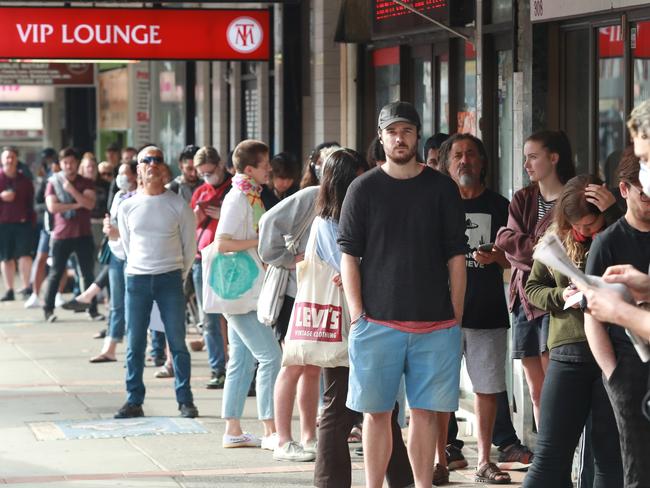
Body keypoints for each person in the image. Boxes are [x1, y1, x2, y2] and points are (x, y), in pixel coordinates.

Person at [338, 101, 467, 488]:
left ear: (417, 136)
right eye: (392, 131)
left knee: (425, 414)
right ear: (381, 138)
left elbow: (456, 258)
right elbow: (349, 256)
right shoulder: (362, 189)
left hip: (436, 324)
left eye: (407, 131)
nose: (399, 138)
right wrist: (357, 313)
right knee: (376, 414)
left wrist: (455, 318)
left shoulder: (442, 187)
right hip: (376, 322)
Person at [307, 148, 413, 487]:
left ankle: (400, 478)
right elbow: (349, 265)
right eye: (357, 175)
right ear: (342, 182)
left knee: (382, 407)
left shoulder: (364, 213)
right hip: (345, 322)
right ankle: (330, 482)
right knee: (338, 408)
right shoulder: (327, 221)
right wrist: (364, 266)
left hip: (376, 318)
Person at [523, 174, 623, 488]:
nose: (584, 231)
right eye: (577, 225)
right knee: (550, 455)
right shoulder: (555, 237)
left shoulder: (619, 232)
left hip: (614, 351)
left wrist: (614, 215)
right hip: (568, 349)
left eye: (591, 225)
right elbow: (533, 287)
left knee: (608, 457)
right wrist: (560, 296)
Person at [437, 133, 512, 484]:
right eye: (457, 155)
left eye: (470, 155)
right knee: (438, 388)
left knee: (487, 387)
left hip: (487, 311)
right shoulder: (437, 203)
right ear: (446, 163)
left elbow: (515, 260)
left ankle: (484, 460)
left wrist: (498, 257)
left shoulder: (501, 206)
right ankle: (439, 458)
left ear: (482, 162)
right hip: (440, 313)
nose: (464, 161)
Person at [495, 130, 576, 429]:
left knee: (557, 385)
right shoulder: (523, 197)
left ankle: (562, 458)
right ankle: (545, 456)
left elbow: (567, 250)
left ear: (553, 158)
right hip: (523, 299)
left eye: (533, 156)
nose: (527, 164)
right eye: (525, 157)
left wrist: (524, 246)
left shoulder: (572, 197)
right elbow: (505, 239)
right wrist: (542, 247)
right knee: (535, 389)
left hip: (557, 299)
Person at [114, 146, 198, 419]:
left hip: (170, 278)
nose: (152, 164)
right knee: (134, 344)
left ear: (164, 167)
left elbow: (189, 248)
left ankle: (185, 400)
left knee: (177, 343)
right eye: (146, 160)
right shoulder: (127, 206)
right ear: (137, 168)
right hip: (136, 279)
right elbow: (126, 245)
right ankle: (133, 399)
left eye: (157, 160)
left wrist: (178, 273)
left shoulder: (178, 205)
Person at [583, 151, 650, 487]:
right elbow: (591, 316)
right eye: (644, 193)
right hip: (629, 368)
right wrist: (613, 375)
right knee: (637, 469)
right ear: (624, 190)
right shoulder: (607, 243)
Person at [216, 139, 282, 449]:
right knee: (271, 357)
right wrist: (258, 241)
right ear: (249, 169)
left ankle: (233, 429)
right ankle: (271, 430)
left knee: (241, 360)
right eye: (265, 164)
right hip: (240, 290)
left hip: (246, 289)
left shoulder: (250, 196)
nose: (270, 169)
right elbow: (223, 243)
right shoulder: (238, 198)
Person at [190, 146, 231, 389]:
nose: (208, 177)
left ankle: (236, 365)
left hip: (230, 259)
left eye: (210, 171)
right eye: (203, 173)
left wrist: (222, 215)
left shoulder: (235, 189)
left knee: (233, 314)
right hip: (202, 259)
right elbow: (190, 225)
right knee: (210, 317)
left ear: (220, 165)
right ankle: (217, 368)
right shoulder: (200, 192)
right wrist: (198, 213)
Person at [89, 161, 138, 363]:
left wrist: (118, 232)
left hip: (135, 256)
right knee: (116, 303)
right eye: (119, 173)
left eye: (124, 173)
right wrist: (108, 227)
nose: (120, 178)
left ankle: (146, 349)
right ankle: (110, 347)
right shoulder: (118, 195)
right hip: (116, 252)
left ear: (135, 175)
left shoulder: (142, 197)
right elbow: (112, 218)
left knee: (135, 304)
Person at [42, 147, 97, 323]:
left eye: (72, 162)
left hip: (83, 234)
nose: (69, 165)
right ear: (60, 164)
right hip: (61, 235)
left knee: (88, 274)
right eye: (65, 162)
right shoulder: (53, 182)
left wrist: (72, 191)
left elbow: (89, 204)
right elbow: (52, 207)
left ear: (77, 163)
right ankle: (48, 310)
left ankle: (93, 310)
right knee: (56, 273)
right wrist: (75, 205)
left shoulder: (86, 182)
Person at [0, 146, 35, 302]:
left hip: (23, 223)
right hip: (2, 224)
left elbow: (31, 202)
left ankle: (27, 287)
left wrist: (31, 222)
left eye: (12, 157)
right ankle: (9, 290)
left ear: (17, 160)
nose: (9, 160)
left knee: (25, 256)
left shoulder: (24, 180)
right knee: (6, 258)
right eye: (7, 157)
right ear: (2, 160)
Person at [25, 149, 60, 309]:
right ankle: (35, 294)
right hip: (48, 226)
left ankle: (58, 294)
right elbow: (36, 205)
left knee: (61, 262)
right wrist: (50, 206)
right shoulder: (46, 180)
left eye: (54, 161)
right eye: (48, 160)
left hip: (64, 228)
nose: (52, 164)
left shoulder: (68, 181)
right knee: (40, 259)